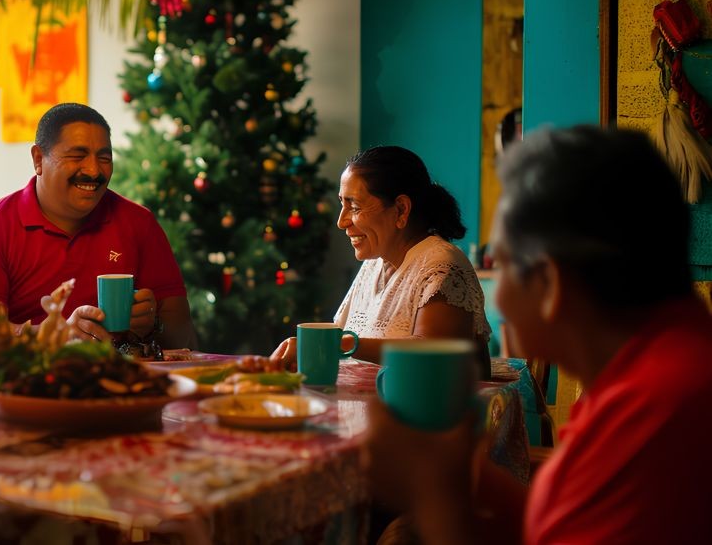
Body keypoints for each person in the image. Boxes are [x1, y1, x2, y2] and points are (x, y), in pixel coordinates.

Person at [365, 126, 712, 544]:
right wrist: (451, 471)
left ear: (549, 284)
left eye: (503, 263)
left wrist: (435, 495)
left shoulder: (661, 410)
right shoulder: (648, 369)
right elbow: (560, 521)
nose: (499, 295)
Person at [0, 102, 198, 352]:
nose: (94, 170)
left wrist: (152, 324)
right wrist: (59, 333)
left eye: (104, 158)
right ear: (38, 159)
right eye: (77, 156)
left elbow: (181, 333)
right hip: (27, 384)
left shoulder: (139, 223)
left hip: (122, 382)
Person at [263, 146, 491, 370]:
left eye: (353, 206)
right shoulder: (374, 263)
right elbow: (342, 341)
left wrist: (333, 344)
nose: (341, 222)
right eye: (342, 204)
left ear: (401, 210)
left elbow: (434, 354)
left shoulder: (441, 264)